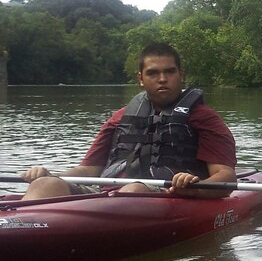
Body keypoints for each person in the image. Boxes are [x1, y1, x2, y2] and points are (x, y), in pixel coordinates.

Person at [21, 42, 237, 199]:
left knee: (134, 190)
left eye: (169, 72)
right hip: (108, 195)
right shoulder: (119, 118)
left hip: (166, 195)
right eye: (153, 73)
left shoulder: (205, 118)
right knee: (46, 184)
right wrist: (52, 175)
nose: (162, 79)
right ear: (140, 79)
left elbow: (226, 177)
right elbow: (88, 170)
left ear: (181, 74)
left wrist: (194, 187)